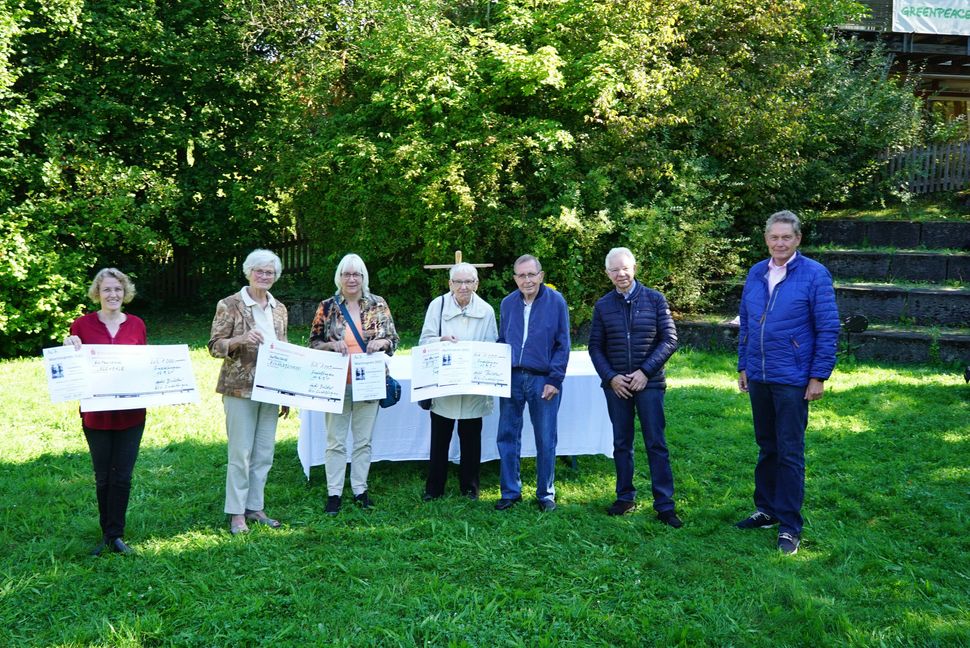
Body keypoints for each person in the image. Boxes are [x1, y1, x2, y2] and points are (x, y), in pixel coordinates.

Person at [736, 210, 839, 555]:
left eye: (786, 237)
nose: (779, 243)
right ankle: (766, 509)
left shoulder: (814, 275)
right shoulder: (755, 272)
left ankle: (790, 525)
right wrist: (743, 365)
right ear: (766, 239)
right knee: (767, 446)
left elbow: (828, 328)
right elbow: (748, 324)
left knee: (790, 451)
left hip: (794, 378)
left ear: (797, 240)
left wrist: (818, 376)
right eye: (774, 237)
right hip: (760, 375)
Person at [588, 247, 683, 528]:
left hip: (650, 383)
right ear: (607, 274)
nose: (621, 274)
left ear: (635, 268)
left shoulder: (655, 300)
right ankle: (625, 497)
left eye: (625, 268)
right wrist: (611, 377)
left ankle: (664, 505)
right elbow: (595, 347)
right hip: (617, 386)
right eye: (614, 270)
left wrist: (645, 372)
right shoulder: (603, 305)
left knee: (656, 443)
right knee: (621, 443)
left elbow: (670, 339)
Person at [64, 268, 146, 556]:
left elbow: (145, 367)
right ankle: (106, 532)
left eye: (118, 290)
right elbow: (70, 365)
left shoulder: (136, 324)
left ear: (126, 294)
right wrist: (68, 346)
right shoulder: (81, 325)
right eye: (107, 289)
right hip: (96, 415)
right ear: (97, 293)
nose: (113, 295)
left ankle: (117, 535)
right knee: (103, 476)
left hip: (131, 414)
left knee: (122, 475)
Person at [309, 253, 399, 515]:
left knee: (363, 440)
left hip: (369, 381)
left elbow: (393, 340)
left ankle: (360, 489)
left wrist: (381, 343)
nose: (351, 279)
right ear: (339, 277)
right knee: (335, 441)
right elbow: (313, 342)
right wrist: (330, 344)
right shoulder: (327, 306)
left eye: (356, 274)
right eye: (347, 274)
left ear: (363, 277)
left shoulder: (377, 304)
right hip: (336, 382)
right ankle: (334, 493)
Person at [208, 249, 289, 535]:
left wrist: (286, 393)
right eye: (259, 271)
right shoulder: (229, 304)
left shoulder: (279, 309)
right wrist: (240, 338)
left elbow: (285, 353)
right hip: (239, 389)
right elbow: (214, 346)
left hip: (271, 390)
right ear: (248, 272)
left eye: (270, 272)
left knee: (264, 452)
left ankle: (255, 507)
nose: (264, 276)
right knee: (240, 452)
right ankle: (236, 513)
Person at [494, 255, 570, 512]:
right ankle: (510, 491)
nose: (527, 280)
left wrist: (555, 379)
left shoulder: (556, 301)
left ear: (541, 275)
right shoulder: (507, 304)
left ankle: (545, 494)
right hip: (511, 377)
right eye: (521, 275)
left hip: (542, 379)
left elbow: (563, 343)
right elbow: (503, 339)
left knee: (545, 437)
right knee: (507, 435)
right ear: (515, 278)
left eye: (531, 275)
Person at [418, 262, 498, 501]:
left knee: (472, 440)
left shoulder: (486, 310)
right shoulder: (437, 305)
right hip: (444, 387)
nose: (463, 287)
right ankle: (434, 488)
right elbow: (424, 342)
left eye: (468, 282)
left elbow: (493, 347)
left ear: (476, 284)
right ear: (450, 284)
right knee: (439, 440)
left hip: (473, 388)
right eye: (458, 282)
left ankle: (470, 488)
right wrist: (441, 340)